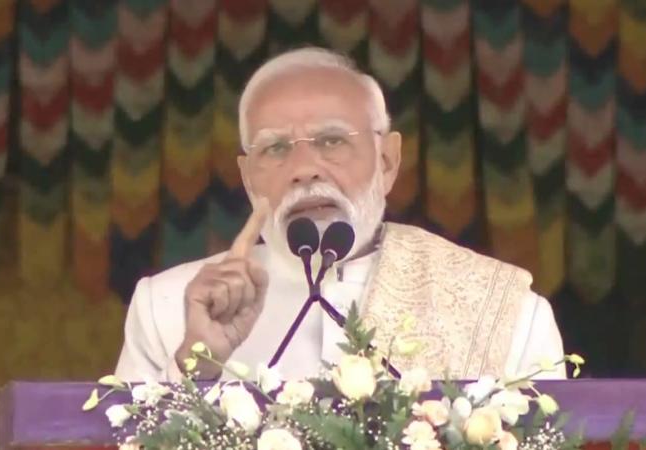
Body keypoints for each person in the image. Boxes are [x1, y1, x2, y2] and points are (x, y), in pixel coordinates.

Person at [114, 46, 566, 383]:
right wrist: (197, 365)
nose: (304, 169)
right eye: (275, 148)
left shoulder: (505, 310)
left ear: (387, 161)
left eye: (332, 140)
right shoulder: (168, 307)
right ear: (249, 179)